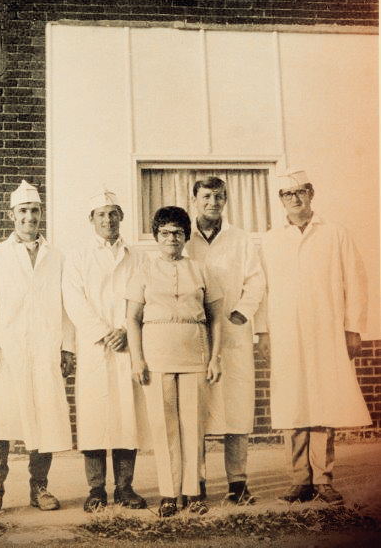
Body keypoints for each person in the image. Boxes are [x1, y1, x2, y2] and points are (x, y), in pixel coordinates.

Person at [256, 170, 372, 505]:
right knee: (293, 402)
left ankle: (323, 479)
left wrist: (353, 328)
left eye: (300, 192)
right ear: (280, 199)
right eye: (286, 194)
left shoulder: (335, 233)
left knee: (322, 401)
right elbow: (262, 290)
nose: (294, 199)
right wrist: (263, 331)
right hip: (286, 333)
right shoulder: (271, 239)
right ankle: (299, 480)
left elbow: (357, 281)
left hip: (326, 330)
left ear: (311, 193)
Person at [0, 180, 75, 513]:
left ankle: (40, 489)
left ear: (41, 213)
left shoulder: (56, 256)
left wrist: (67, 348)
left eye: (34, 211)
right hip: (10, 352)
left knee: (44, 421)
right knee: (2, 423)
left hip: (46, 350)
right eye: (23, 211)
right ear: (12, 215)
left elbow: (66, 305)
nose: (29, 217)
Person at [126, 206, 223, 517]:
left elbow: (217, 318)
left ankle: (193, 492)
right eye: (165, 233)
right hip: (157, 354)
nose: (171, 238)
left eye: (177, 233)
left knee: (193, 425)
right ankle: (169, 493)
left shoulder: (201, 270)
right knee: (163, 425)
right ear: (156, 236)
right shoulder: (142, 271)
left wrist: (215, 357)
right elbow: (132, 319)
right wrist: (137, 359)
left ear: (186, 236)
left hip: (195, 351)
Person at [62, 189, 150, 512]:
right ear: (91, 220)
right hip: (95, 347)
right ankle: (96, 490)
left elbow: (144, 295)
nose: (108, 220)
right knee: (94, 418)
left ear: (122, 217)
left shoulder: (137, 255)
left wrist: (127, 330)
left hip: (128, 343)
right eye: (101, 214)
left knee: (128, 418)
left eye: (113, 213)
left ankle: (125, 488)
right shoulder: (78, 256)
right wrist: (103, 332)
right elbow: (73, 301)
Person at [187, 177, 266, 505]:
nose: (213, 202)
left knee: (236, 408)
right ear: (195, 199)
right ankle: (196, 482)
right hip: (192, 335)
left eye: (220, 196)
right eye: (206, 196)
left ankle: (238, 483)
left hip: (232, 335)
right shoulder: (182, 236)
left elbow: (256, 281)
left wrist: (242, 313)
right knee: (195, 410)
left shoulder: (241, 239)